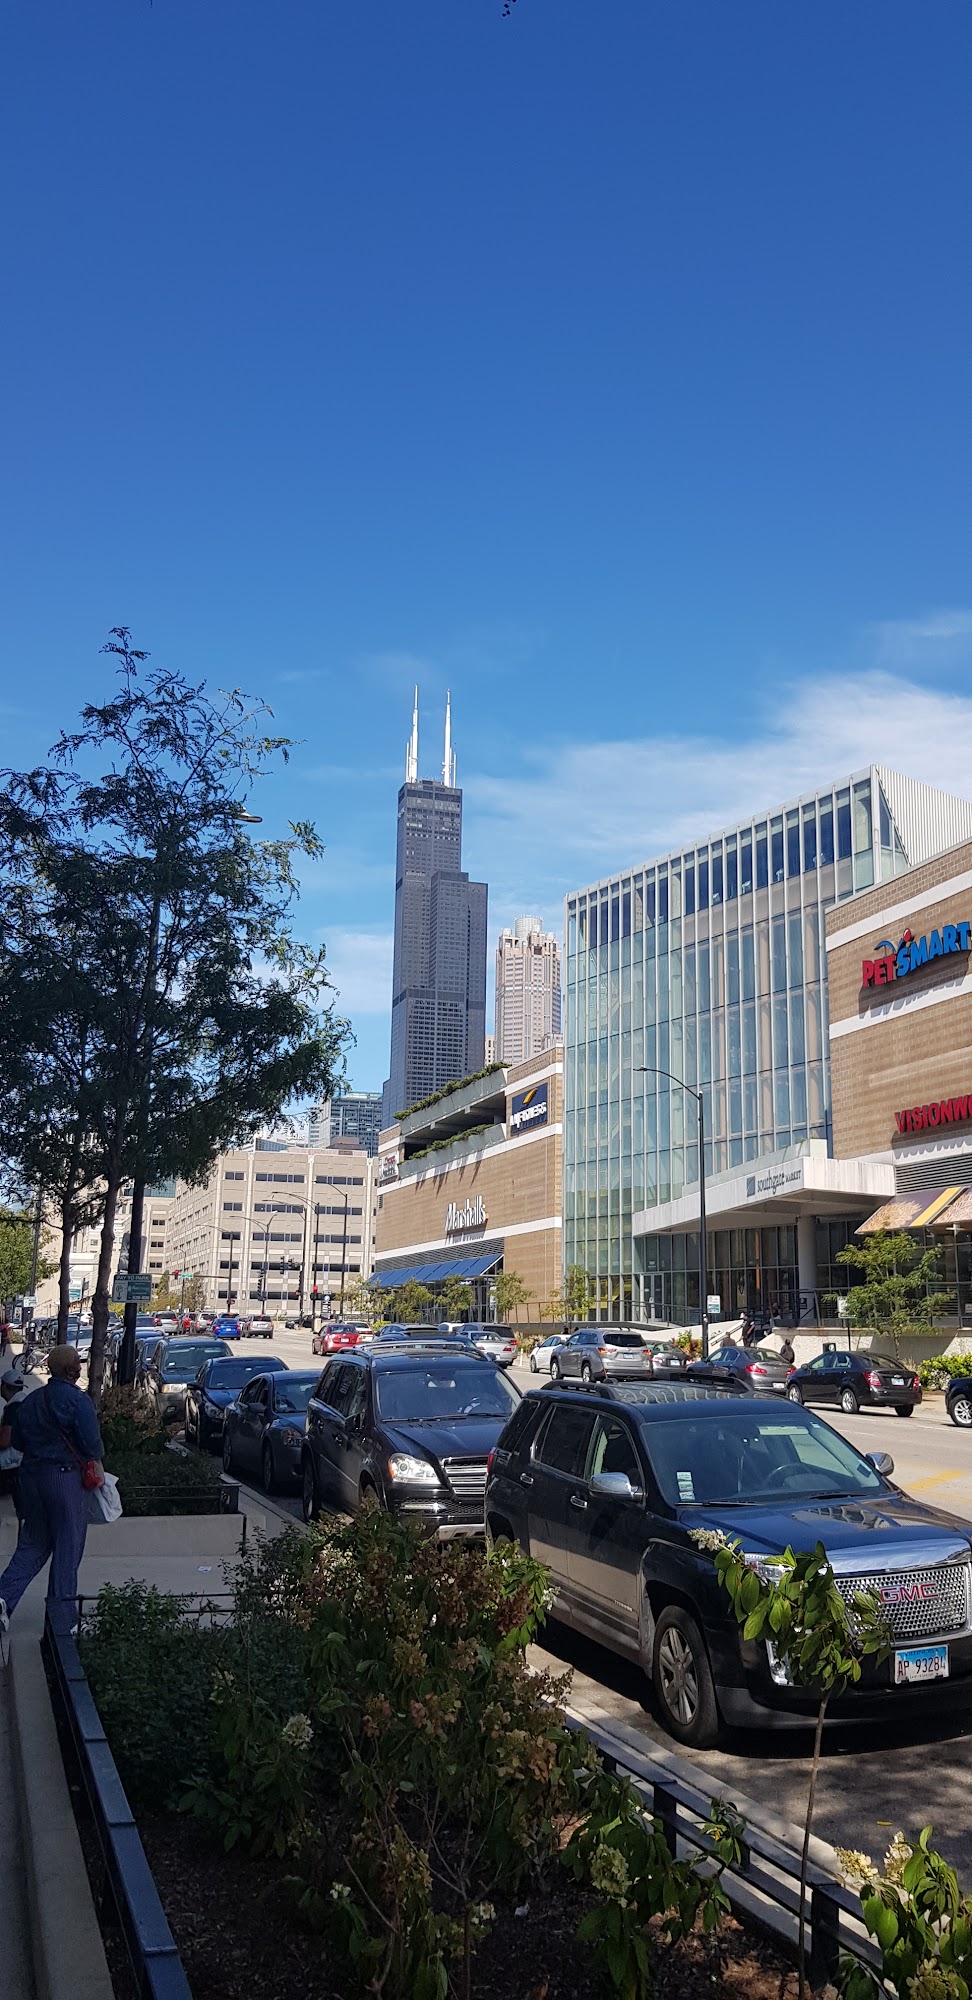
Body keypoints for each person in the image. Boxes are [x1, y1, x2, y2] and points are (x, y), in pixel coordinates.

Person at [0, 1343, 104, 1647]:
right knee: (67, 1548)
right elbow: (92, 1445)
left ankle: (3, 1597)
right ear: (71, 1371)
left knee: (33, 1544)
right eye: (78, 1365)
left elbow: (18, 1441)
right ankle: (63, 1623)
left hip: (31, 1479)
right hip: (65, 1480)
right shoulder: (78, 1401)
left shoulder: (32, 1400)